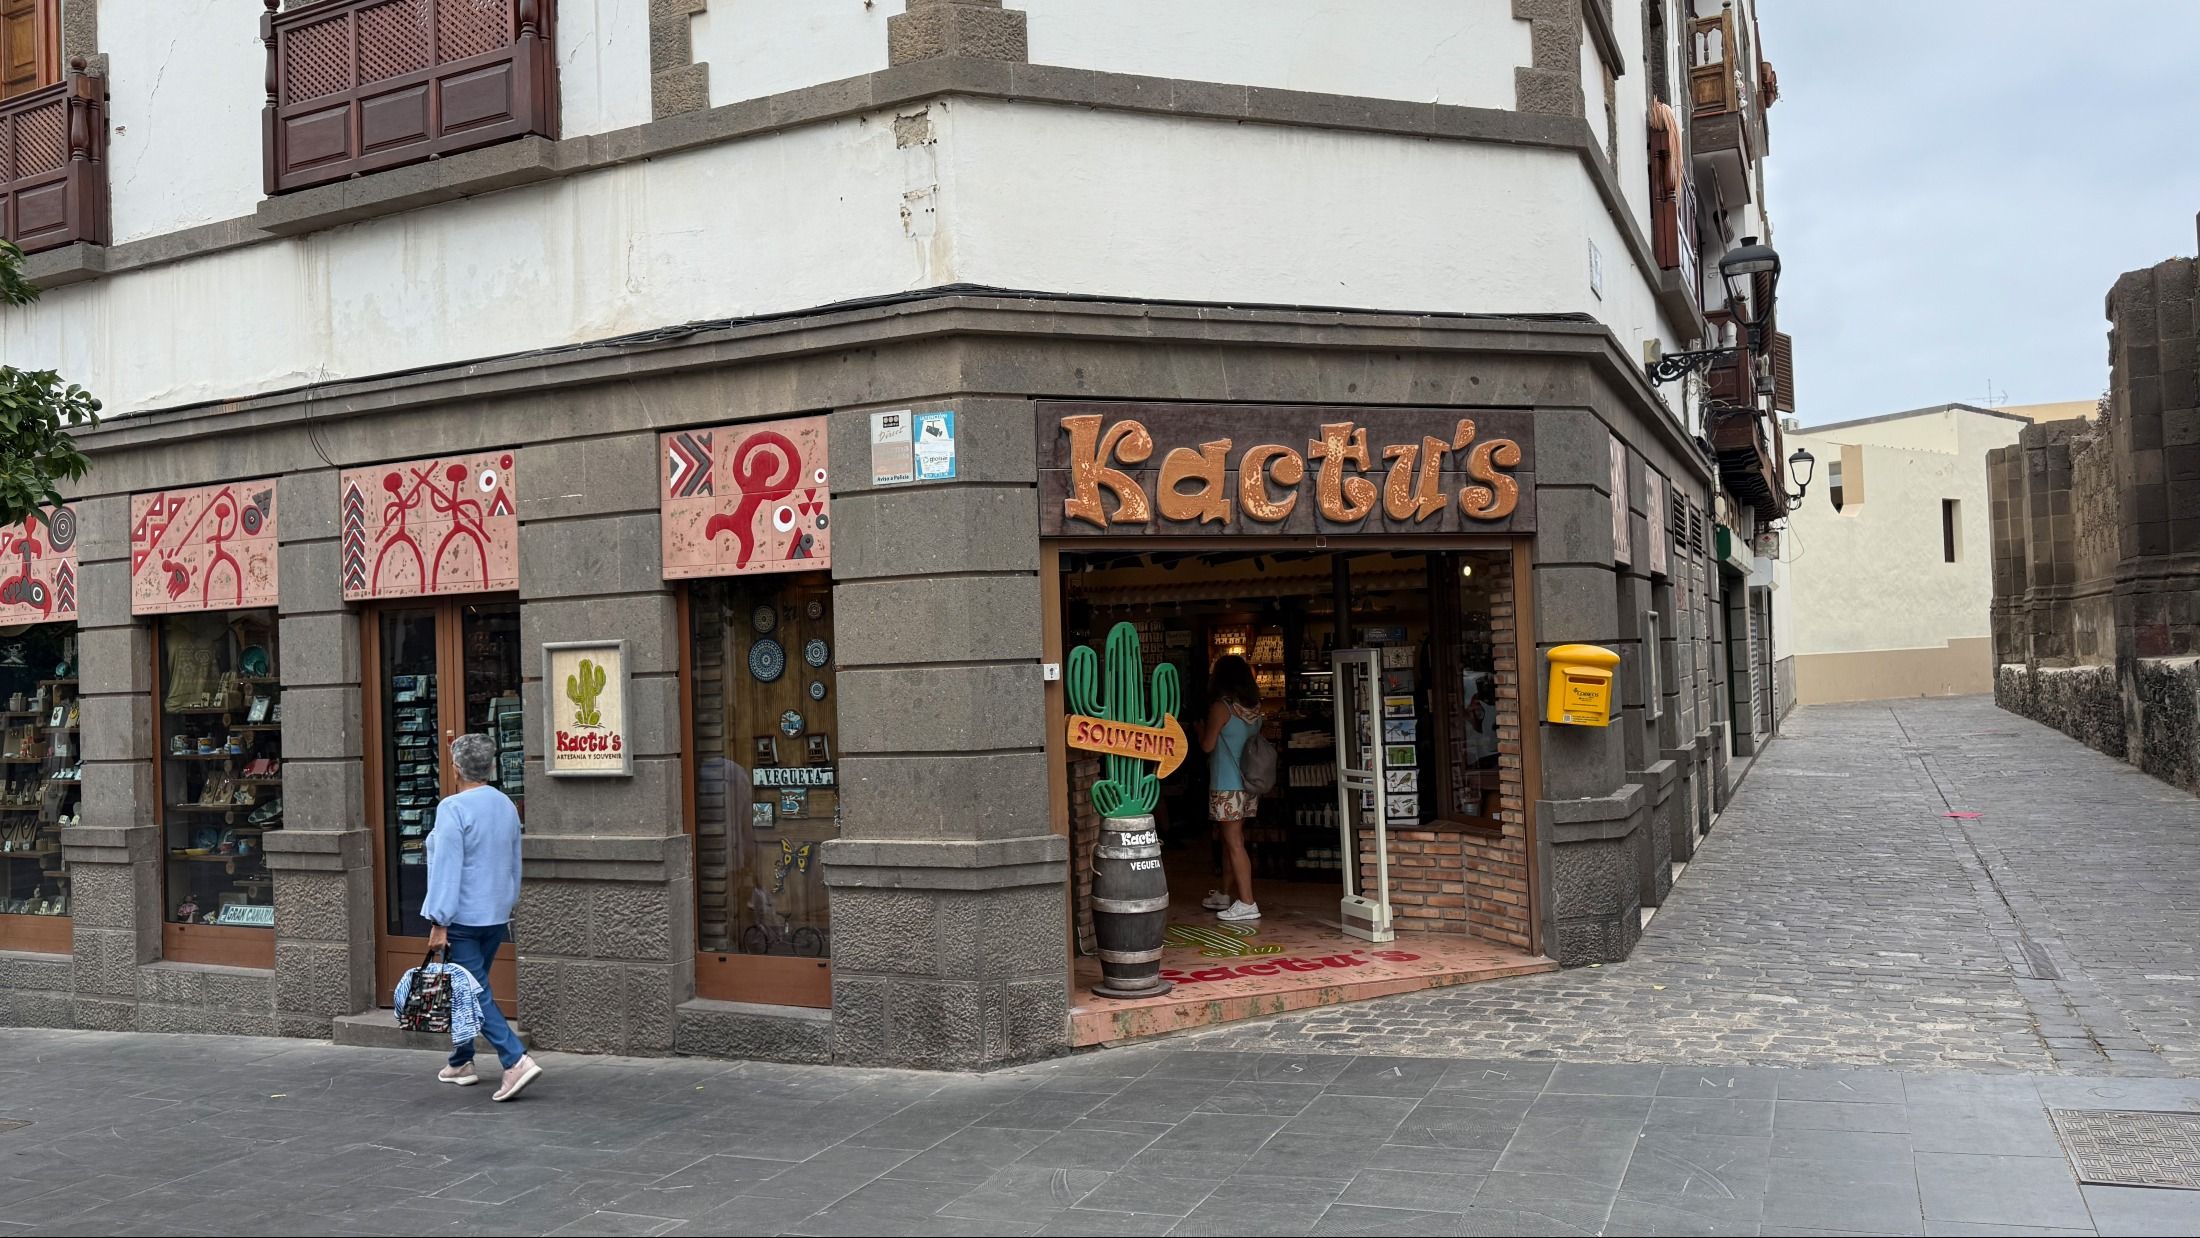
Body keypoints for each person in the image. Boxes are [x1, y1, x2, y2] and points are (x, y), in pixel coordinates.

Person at [422, 732, 541, 1101]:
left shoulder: (452, 808)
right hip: (495, 913)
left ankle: (515, 1058)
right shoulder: (505, 804)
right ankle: (461, 1060)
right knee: (470, 988)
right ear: (490, 767)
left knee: (473, 994)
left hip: (463, 918)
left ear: (456, 768)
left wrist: (439, 921)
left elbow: (447, 867)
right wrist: (508, 902)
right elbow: (513, 861)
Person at [1199, 654, 1264, 922]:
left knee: (1234, 843)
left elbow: (1207, 745)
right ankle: (1225, 894)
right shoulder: (1254, 709)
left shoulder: (1221, 708)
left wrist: (1199, 730)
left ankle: (1247, 902)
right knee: (1231, 840)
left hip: (1226, 784)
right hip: (1248, 784)